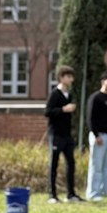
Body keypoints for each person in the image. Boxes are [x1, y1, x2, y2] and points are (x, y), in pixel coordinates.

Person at [44, 65, 84, 203]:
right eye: (68, 77)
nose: (71, 79)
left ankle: (71, 194)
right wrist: (63, 109)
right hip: (56, 134)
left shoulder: (69, 94)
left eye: (71, 77)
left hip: (67, 134)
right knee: (54, 164)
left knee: (71, 163)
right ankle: (52, 195)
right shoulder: (55, 93)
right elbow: (48, 112)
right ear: (61, 78)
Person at [85, 71, 107, 201]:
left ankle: (105, 191)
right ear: (103, 81)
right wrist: (96, 134)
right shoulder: (95, 98)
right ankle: (93, 193)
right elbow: (90, 118)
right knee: (96, 166)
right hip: (99, 136)